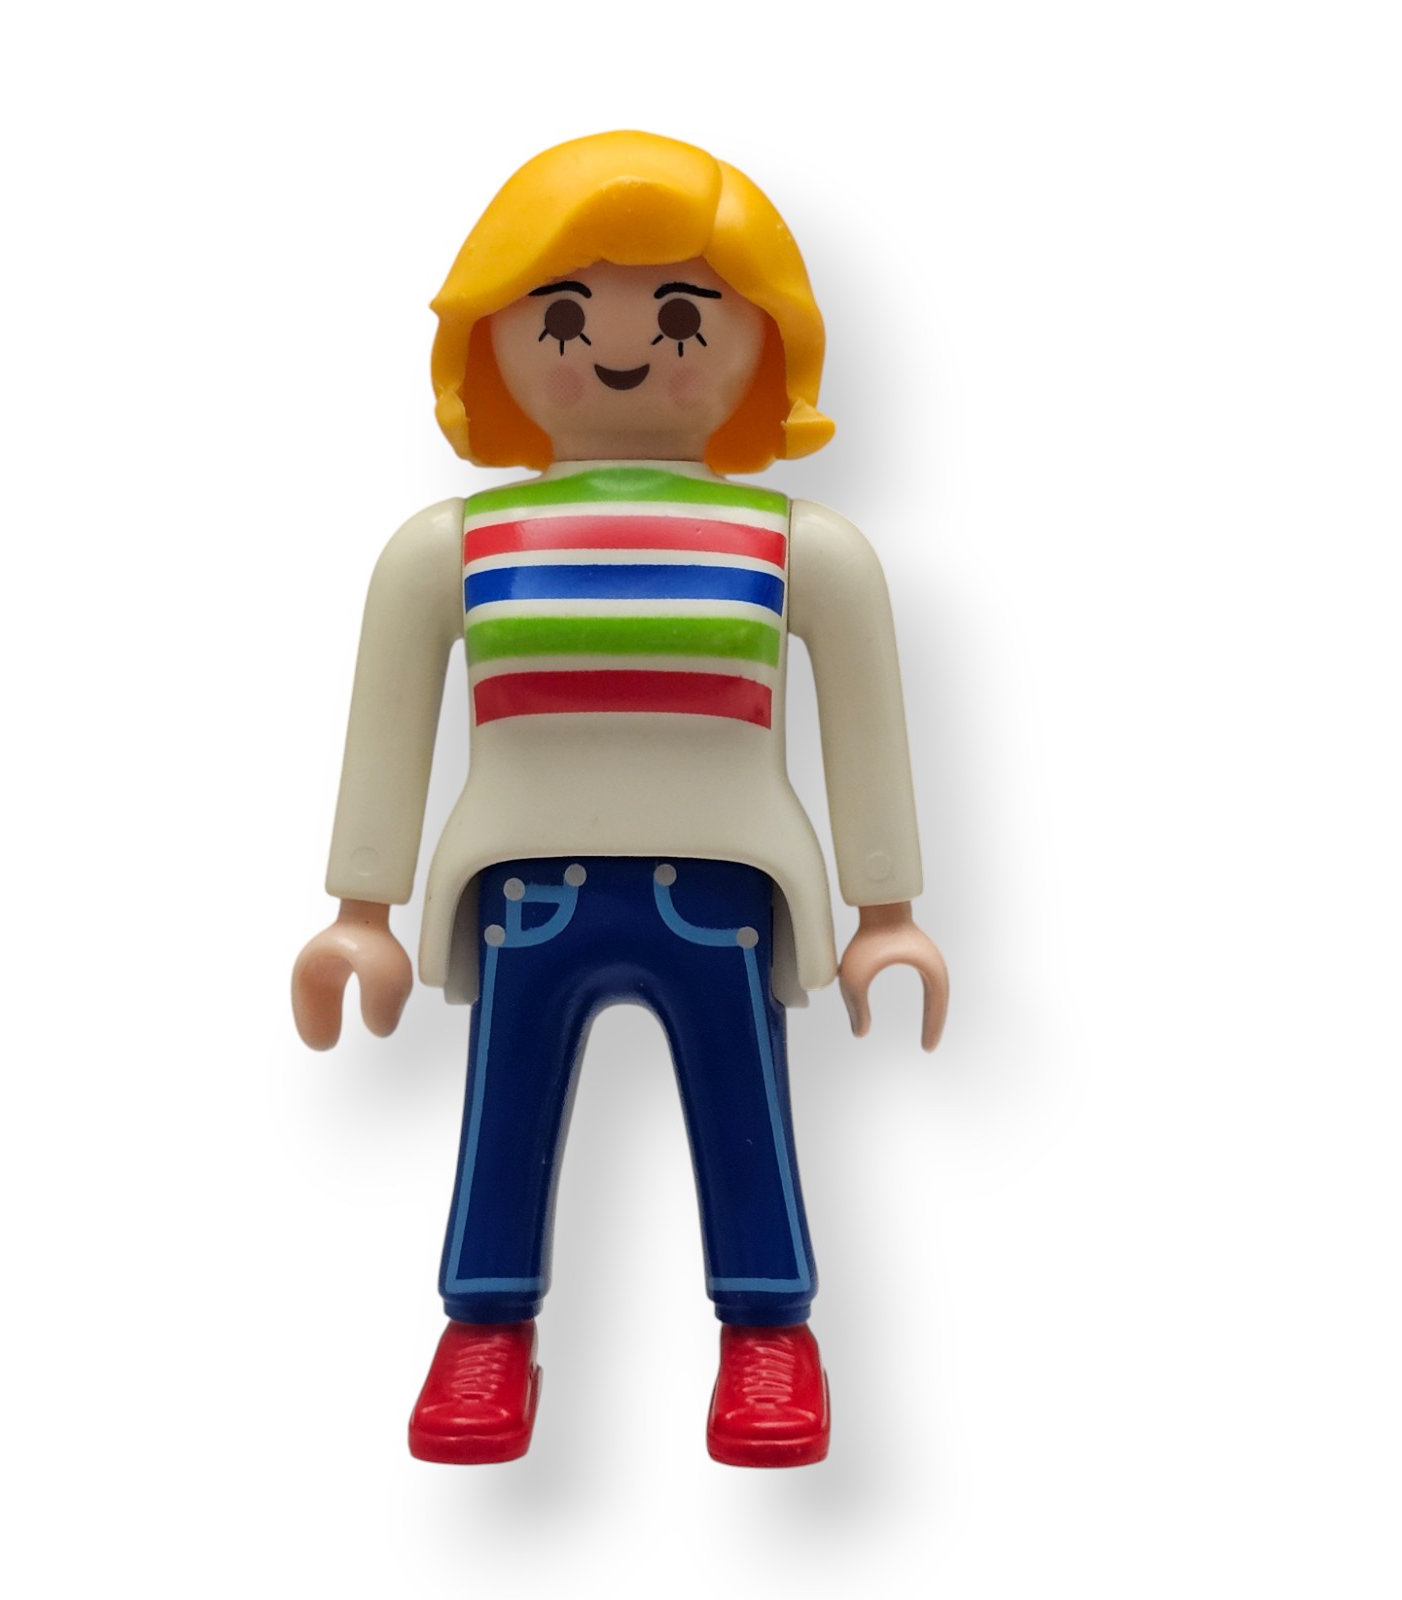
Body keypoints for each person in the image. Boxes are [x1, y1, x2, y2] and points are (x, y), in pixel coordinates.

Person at [291, 130, 948, 1467]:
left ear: (766, 339)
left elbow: (869, 725)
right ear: (492, 338)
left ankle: (770, 1335)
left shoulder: (800, 547)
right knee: (504, 1113)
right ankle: (485, 1330)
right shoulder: (451, 547)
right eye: (563, 314)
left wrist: (888, 910)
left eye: (686, 315)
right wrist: (362, 909)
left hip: (725, 889)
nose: (624, 346)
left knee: (746, 1110)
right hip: (527, 889)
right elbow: (389, 723)